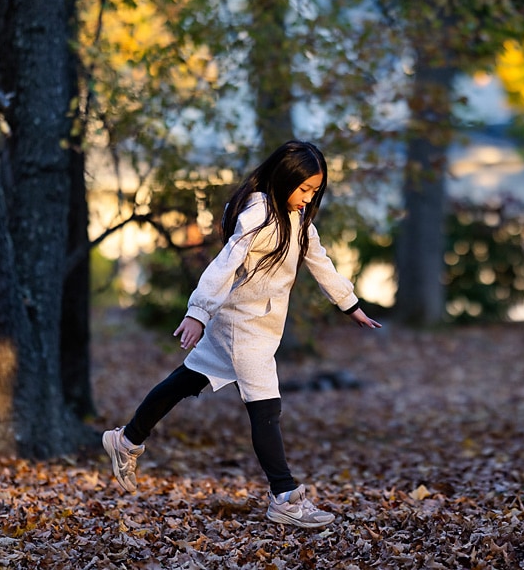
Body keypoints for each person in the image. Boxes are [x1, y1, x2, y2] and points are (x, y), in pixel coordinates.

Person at [103, 140, 381, 529]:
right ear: (284, 179)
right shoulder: (260, 214)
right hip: (240, 328)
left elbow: (323, 265)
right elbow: (226, 262)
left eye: (315, 192)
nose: (308, 198)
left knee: (186, 380)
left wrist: (350, 306)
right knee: (266, 408)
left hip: (257, 327)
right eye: (304, 189)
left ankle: (126, 440)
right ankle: (284, 495)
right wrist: (198, 312)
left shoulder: (299, 223)